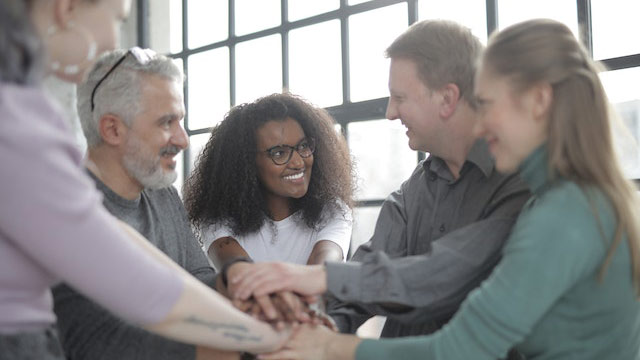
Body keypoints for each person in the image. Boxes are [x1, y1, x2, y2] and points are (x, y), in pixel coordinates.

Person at [236, 19, 640, 360]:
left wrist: (327, 335)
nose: (479, 125)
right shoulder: (425, 190)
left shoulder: (554, 210)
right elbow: (372, 271)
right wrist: (322, 321)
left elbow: (455, 323)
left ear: (537, 101)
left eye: (487, 103)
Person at [0, 1, 288, 359]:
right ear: (66, 8)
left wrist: (242, 285)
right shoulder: (18, 123)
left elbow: (154, 267)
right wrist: (266, 341)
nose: (112, 40)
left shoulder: (158, 195)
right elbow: (140, 291)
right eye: (118, 18)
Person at [227, 20, 529, 348]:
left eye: (399, 97)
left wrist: (315, 277)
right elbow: (370, 270)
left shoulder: (520, 183)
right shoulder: (415, 188)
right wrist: (323, 324)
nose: (389, 112)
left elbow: (442, 276)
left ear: (447, 98)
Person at [51, 48, 237, 360]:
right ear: (112, 129)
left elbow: (197, 281)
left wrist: (243, 284)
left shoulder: (162, 194)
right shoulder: (61, 215)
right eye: (167, 122)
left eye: (181, 121)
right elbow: (99, 344)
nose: (183, 139)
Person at [183, 93, 355, 321]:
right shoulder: (218, 218)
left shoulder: (333, 211)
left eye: (304, 146)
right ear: (245, 163)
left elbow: (323, 268)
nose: (298, 162)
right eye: (279, 153)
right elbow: (238, 270)